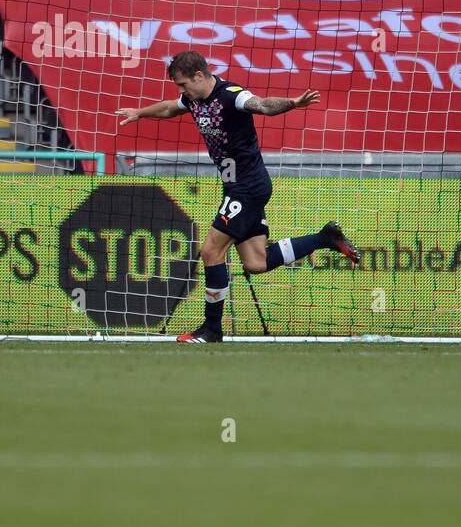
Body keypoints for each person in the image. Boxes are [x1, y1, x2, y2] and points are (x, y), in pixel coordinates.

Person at [116, 50, 360, 343]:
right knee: (256, 263)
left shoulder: (231, 95)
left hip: (248, 186)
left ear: (199, 76)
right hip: (237, 188)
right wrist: (139, 113)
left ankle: (211, 330)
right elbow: (170, 108)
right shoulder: (194, 100)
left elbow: (263, 105)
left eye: (183, 85)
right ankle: (326, 238)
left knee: (211, 251)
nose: (182, 92)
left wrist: (292, 104)